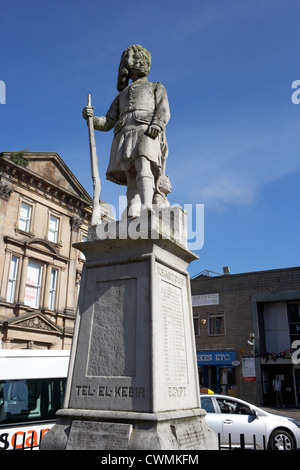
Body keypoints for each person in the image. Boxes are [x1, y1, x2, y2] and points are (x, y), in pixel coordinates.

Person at [82, 45, 170, 218]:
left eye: (144, 61)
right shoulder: (120, 95)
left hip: (146, 130)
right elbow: (108, 122)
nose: (141, 64)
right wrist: (91, 119)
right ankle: (133, 209)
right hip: (124, 132)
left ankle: (147, 205)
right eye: (137, 61)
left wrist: (157, 124)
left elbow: (163, 109)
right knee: (130, 173)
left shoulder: (156, 86)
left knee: (143, 164)